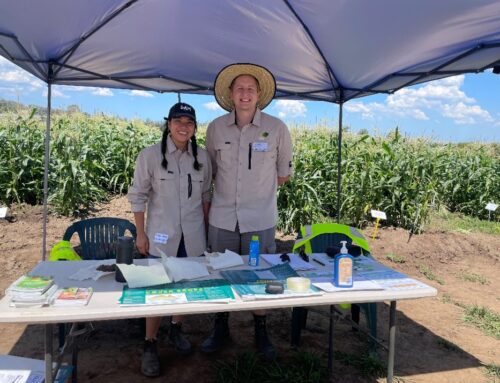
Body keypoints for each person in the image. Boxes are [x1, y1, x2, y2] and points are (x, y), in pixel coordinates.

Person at [203, 63, 293, 360]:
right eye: (239, 88)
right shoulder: (215, 128)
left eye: (250, 89)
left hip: (260, 217)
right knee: (220, 273)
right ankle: (220, 327)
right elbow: (210, 172)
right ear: (230, 94)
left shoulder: (277, 128)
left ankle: (261, 330)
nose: (245, 94)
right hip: (223, 217)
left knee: (262, 275)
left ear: (259, 95)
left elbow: (283, 174)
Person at [127, 102, 211, 377]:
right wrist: (140, 233)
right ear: (168, 124)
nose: (183, 127)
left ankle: (176, 329)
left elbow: (205, 195)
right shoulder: (149, 156)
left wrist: (206, 230)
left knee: (185, 286)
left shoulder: (203, 157)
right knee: (157, 292)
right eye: (178, 121)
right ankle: (150, 344)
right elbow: (137, 195)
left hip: (194, 234)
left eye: (189, 122)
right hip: (161, 236)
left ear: (195, 128)